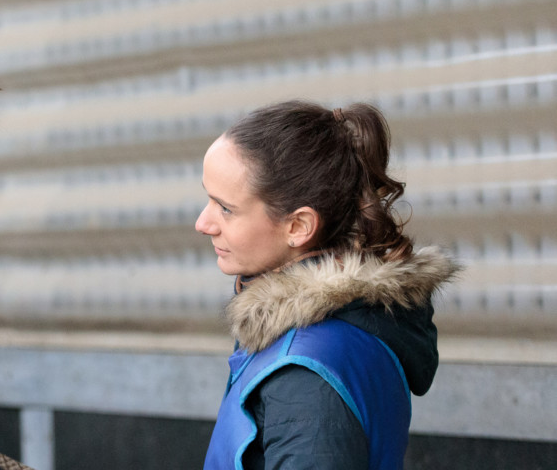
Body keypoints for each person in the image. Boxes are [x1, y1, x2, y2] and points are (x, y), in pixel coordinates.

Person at [196, 100, 460, 469]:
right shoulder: (341, 330)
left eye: (225, 208)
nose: (203, 223)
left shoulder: (305, 371)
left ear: (298, 227)